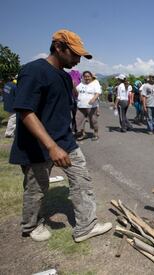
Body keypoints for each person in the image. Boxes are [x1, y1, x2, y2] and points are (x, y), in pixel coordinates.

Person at [9, 29, 112, 242]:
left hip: (65, 141)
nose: (77, 60)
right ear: (58, 47)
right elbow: (26, 112)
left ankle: (86, 226)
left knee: (81, 179)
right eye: (74, 54)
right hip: (36, 144)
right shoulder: (33, 71)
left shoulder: (65, 77)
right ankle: (31, 225)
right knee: (36, 189)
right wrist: (51, 146)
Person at [75, 71, 101, 141]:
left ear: (91, 77)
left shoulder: (95, 83)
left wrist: (93, 99)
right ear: (83, 77)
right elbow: (76, 91)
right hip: (80, 106)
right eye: (85, 76)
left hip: (91, 107)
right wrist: (73, 86)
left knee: (93, 121)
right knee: (79, 120)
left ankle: (96, 134)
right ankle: (83, 134)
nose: (87, 78)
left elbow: (98, 92)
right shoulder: (81, 84)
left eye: (88, 76)